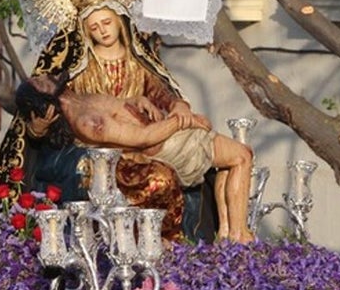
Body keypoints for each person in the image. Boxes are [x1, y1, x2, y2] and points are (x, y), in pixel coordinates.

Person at [18, 73, 255, 241]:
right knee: (242, 156)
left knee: (234, 159)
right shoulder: (85, 120)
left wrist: (135, 102)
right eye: (39, 82)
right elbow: (142, 138)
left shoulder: (80, 98)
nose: (44, 75)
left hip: (168, 132)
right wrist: (185, 121)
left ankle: (229, 233)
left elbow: (121, 105)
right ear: (44, 103)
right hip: (168, 143)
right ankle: (239, 235)